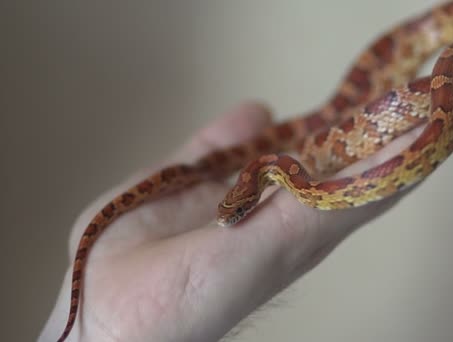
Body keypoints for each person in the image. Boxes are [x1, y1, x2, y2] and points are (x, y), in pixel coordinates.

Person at [39, 102, 421, 341]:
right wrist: (101, 326)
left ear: (250, 198)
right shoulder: (258, 175)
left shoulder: (277, 172)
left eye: (235, 212)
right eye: (230, 212)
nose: (229, 220)